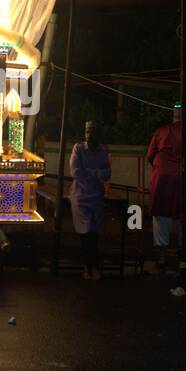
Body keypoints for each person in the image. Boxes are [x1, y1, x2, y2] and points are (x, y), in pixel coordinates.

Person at [146, 104, 186, 267]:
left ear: (173, 116)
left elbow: (150, 155)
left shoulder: (160, 132)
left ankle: (162, 256)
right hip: (182, 179)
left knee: (161, 217)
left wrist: (160, 167)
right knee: (185, 217)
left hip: (161, 179)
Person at [69, 120, 111, 280]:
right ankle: (88, 267)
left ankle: (93, 266)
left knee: (94, 234)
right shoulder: (78, 148)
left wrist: (90, 172)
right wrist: (96, 173)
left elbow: (107, 173)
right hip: (80, 196)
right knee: (85, 234)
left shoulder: (102, 151)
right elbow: (75, 172)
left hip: (97, 196)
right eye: (87, 132)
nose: (89, 136)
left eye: (93, 132)